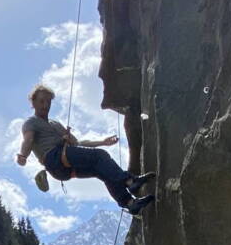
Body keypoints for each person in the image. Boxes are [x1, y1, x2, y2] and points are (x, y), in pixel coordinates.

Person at [17, 84, 154, 215]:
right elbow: (28, 140)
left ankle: (130, 203)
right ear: (33, 102)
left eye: (48, 102)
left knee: (102, 170)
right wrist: (23, 155)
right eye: (41, 101)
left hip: (62, 168)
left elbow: (78, 143)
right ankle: (130, 181)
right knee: (100, 156)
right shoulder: (31, 122)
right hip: (54, 157)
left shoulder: (55, 124)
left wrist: (102, 142)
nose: (45, 105)